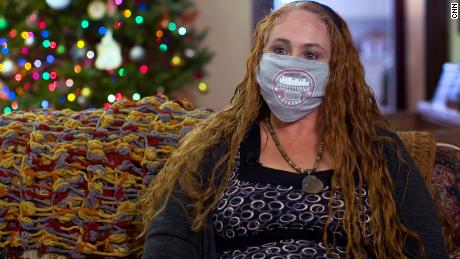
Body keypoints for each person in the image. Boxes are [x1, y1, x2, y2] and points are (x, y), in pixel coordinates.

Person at [138, 1, 448, 258]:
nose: (292, 65)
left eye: (311, 54)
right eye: (280, 50)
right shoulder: (214, 145)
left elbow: (426, 248)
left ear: (337, 70)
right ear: (259, 59)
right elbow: (168, 241)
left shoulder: (380, 149)